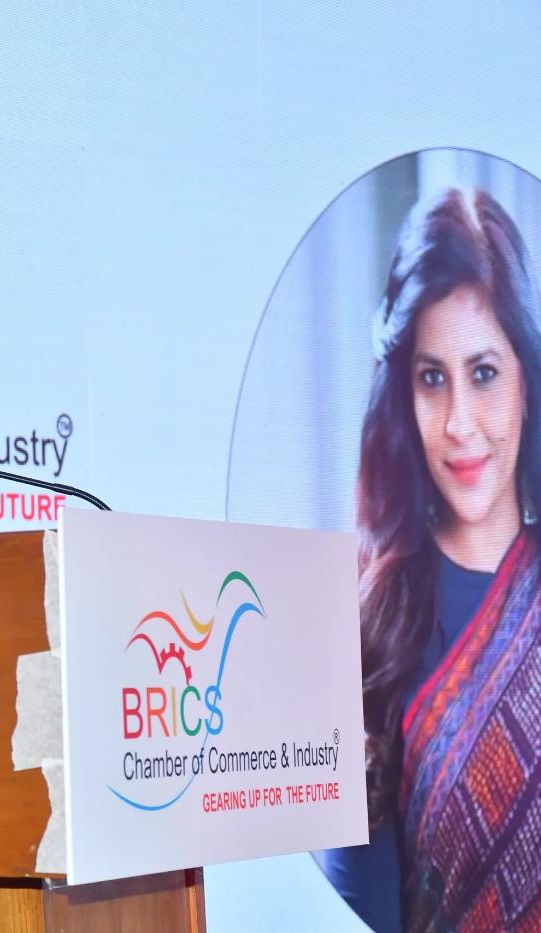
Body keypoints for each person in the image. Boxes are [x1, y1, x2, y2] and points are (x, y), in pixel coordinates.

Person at [318, 188, 541, 932]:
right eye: (431, 378)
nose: (458, 424)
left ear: (526, 382)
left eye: (484, 373)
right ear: (402, 394)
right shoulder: (370, 626)